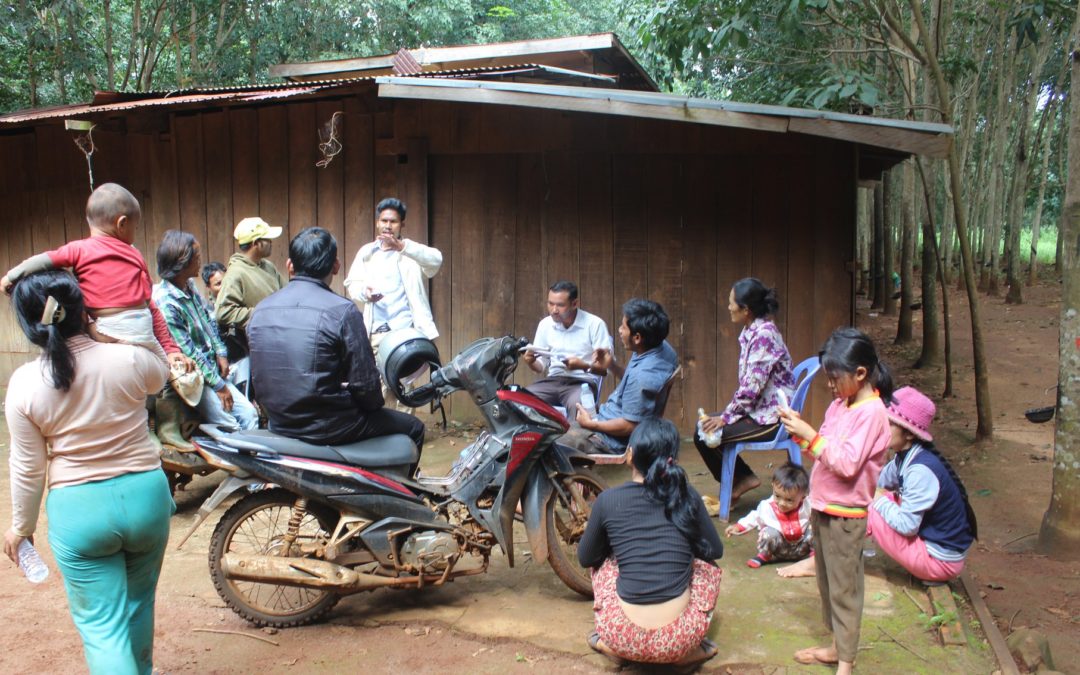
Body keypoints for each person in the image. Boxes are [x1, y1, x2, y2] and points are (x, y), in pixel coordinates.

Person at [4, 270, 174, 674]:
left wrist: (20, 527)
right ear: (85, 310)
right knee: (138, 605)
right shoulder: (128, 359)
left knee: (102, 627)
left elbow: (28, 468)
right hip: (146, 499)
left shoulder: (25, 383)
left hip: (80, 512)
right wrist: (112, 335)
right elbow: (163, 369)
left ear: (31, 325)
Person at [248, 227, 425, 457]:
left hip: (279, 422)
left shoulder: (260, 310)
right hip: (330, 426)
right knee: (414, 428)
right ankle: (400, 492)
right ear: (336, 266)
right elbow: (368, 389)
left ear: (289, 265)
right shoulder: (342, 311)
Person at [779, 327, 892, 675]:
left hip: (846, 516)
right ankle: (836, 647)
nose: (829, 384)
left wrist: (810, 436)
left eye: (834, 377)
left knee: (845, 589)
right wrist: (803, 433)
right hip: (825, 508)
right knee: (827, 584)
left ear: (860, 374)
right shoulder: (839, 405)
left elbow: (845, 464)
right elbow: (824, 452)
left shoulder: (872, 414)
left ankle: (846, 661)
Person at [577, 418, 723, 668]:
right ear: (672, 460)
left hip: (622, 636)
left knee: (604, 562)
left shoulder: (608, 500)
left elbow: (586, 558)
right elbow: (714, 551)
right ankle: (683, 657)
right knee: (706, 566)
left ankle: (610, 647)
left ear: (630, 456)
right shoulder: (687, 496)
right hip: (680, 640)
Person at [0, 182, 185, 369]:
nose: (135, 233)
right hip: (143, 328)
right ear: (122, 224)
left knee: (84, 328)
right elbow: (147, 298)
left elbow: (45, 259)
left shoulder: (79, 249)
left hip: (106, 331)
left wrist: (11, 276)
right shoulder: (134, 253)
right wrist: (169, 348)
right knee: (162, 367)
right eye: (135, 227)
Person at [696, 278, 796, 506]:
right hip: (760, 409)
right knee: (702, 430)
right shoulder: (753, 330)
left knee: (707, 434)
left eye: (732, 303)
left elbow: (751, 389)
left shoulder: (764, 336)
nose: (729, 307)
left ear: (746, 310)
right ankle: (742, 478)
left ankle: (741, 480)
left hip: (772, 417)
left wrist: (725, 418)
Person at [868, 386, 977, 583]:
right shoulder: (906, 456)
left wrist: (876, 499)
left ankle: (829, 558)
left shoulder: (920, 471)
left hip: (939, 562)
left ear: (909, 434)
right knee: (876, 496)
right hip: (934, 552)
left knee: (869, 506)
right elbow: (877, 482)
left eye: (889, 424)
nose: (882, 429)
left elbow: (907, 526)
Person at [153, 231, 258, 431]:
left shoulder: (189, 286)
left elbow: (208, 321)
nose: (200, 261)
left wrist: (221, 352)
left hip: (211, 367)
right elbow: (190, 351)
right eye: (196, 258)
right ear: (181, 263)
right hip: (195, 376)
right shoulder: (166, 302)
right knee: (230, 425)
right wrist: (219, 385)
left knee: (250, 415)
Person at [343, 197, 443, 407]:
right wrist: (365, 292)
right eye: (384, 220)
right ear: (377, 222)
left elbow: (436, 260)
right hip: (376, 331)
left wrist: (403, 247)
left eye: (393, 221)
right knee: (378, 384)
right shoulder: (367, 252)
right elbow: (352, 283)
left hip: (404, 331)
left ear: (401, 225)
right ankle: (384, 432)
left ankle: (406, 435)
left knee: (404, 385)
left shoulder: (409, 253)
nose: (388, 226)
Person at [570, 298, 678, 454]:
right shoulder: (659, 347)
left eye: (623, 327)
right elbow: (634, 386)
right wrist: (611, 366)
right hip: (609, 418)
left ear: (637, 337)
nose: (619, 330)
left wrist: (591, 425)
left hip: (611, 439)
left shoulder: (643, 376)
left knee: (552, 444)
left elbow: (630, 425)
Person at [215, 216, 287, 389]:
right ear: (257, 243)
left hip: (280, 337)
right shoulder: (236, 273)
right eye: (268, 239)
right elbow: (223, 312)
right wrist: (261, 314)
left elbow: (286, 292)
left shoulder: (267, 266)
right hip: (261, 344)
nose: (271, 242)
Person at [523, 280, 613, 412]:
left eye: (560, 305)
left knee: (580, 407)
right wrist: (531, 361)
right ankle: (534, 433)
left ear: (574, 304)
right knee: (521, 400)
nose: (554, 310)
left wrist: (583, 366)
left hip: (582, 383)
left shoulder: (594, 324)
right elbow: (540, 366)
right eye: (550, 303)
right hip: (553, 381)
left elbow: (605, 370)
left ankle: (576, 433)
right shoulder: (545, 324)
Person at [725, 463, 812, 570]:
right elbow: (754, 517)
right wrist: (738, 526)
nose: (782, 503)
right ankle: (764, 555)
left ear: (803, 496)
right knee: (769, 532)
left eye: (789, 500)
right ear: (773, 486)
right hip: (779, 548)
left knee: (815, 527)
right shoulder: (766, 506)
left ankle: (815, 557)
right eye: (777, 496)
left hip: (802, 548)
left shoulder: (808, 505)